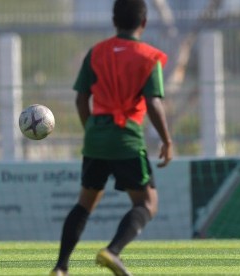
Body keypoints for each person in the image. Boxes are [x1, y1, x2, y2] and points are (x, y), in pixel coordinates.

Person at [50, 0, 173, 275]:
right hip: (126, 137)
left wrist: (92, 131)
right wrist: (167, 140)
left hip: (96, 136)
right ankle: (112, 251)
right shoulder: (149, 56)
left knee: (85, 203)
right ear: (144, 22)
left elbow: (82, 100)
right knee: (147, 203)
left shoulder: (96, 52)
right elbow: (153, 103)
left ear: (114, 20)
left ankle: (60, 267)